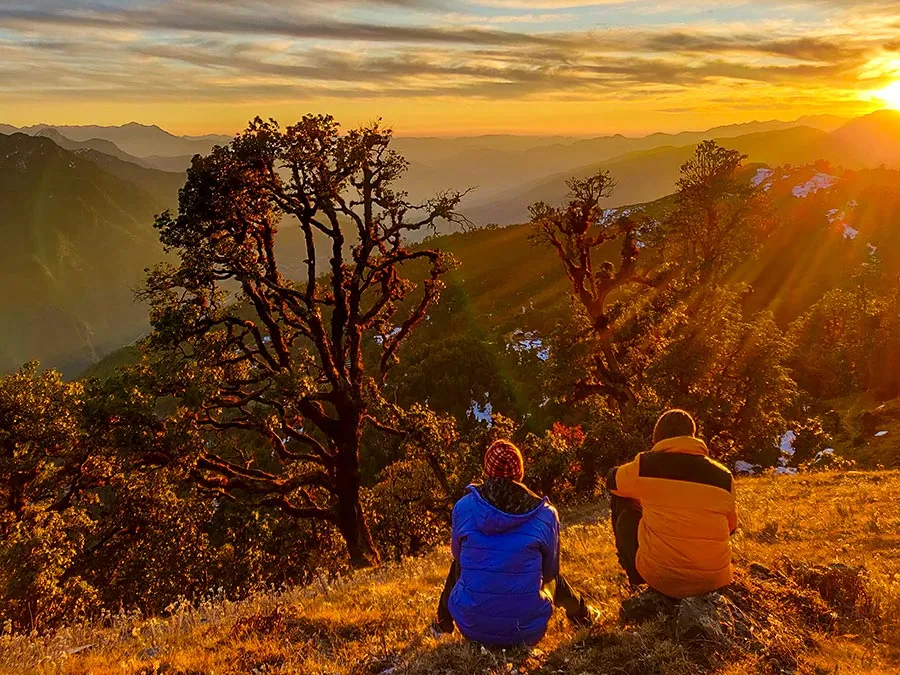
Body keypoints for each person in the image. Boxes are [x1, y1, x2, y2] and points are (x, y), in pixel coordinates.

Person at [432, 439, 597, 646]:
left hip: (471, 627)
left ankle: (442, 623)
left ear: (487, 470)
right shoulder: (545, 514)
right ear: (520, 472)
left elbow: (458, 556)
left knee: (459, 563)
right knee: (552, 576)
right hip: (526, 630)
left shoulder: (463, 507)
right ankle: (581, 615)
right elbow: (549, 572)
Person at [606, 409, 738, 599]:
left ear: (656, 439)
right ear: (692, 436)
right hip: (715, 579)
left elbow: (612, 480)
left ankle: (635, 578)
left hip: (662, 578)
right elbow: (731, 527)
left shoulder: (646, 465)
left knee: (621, 498)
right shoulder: (724, 476)